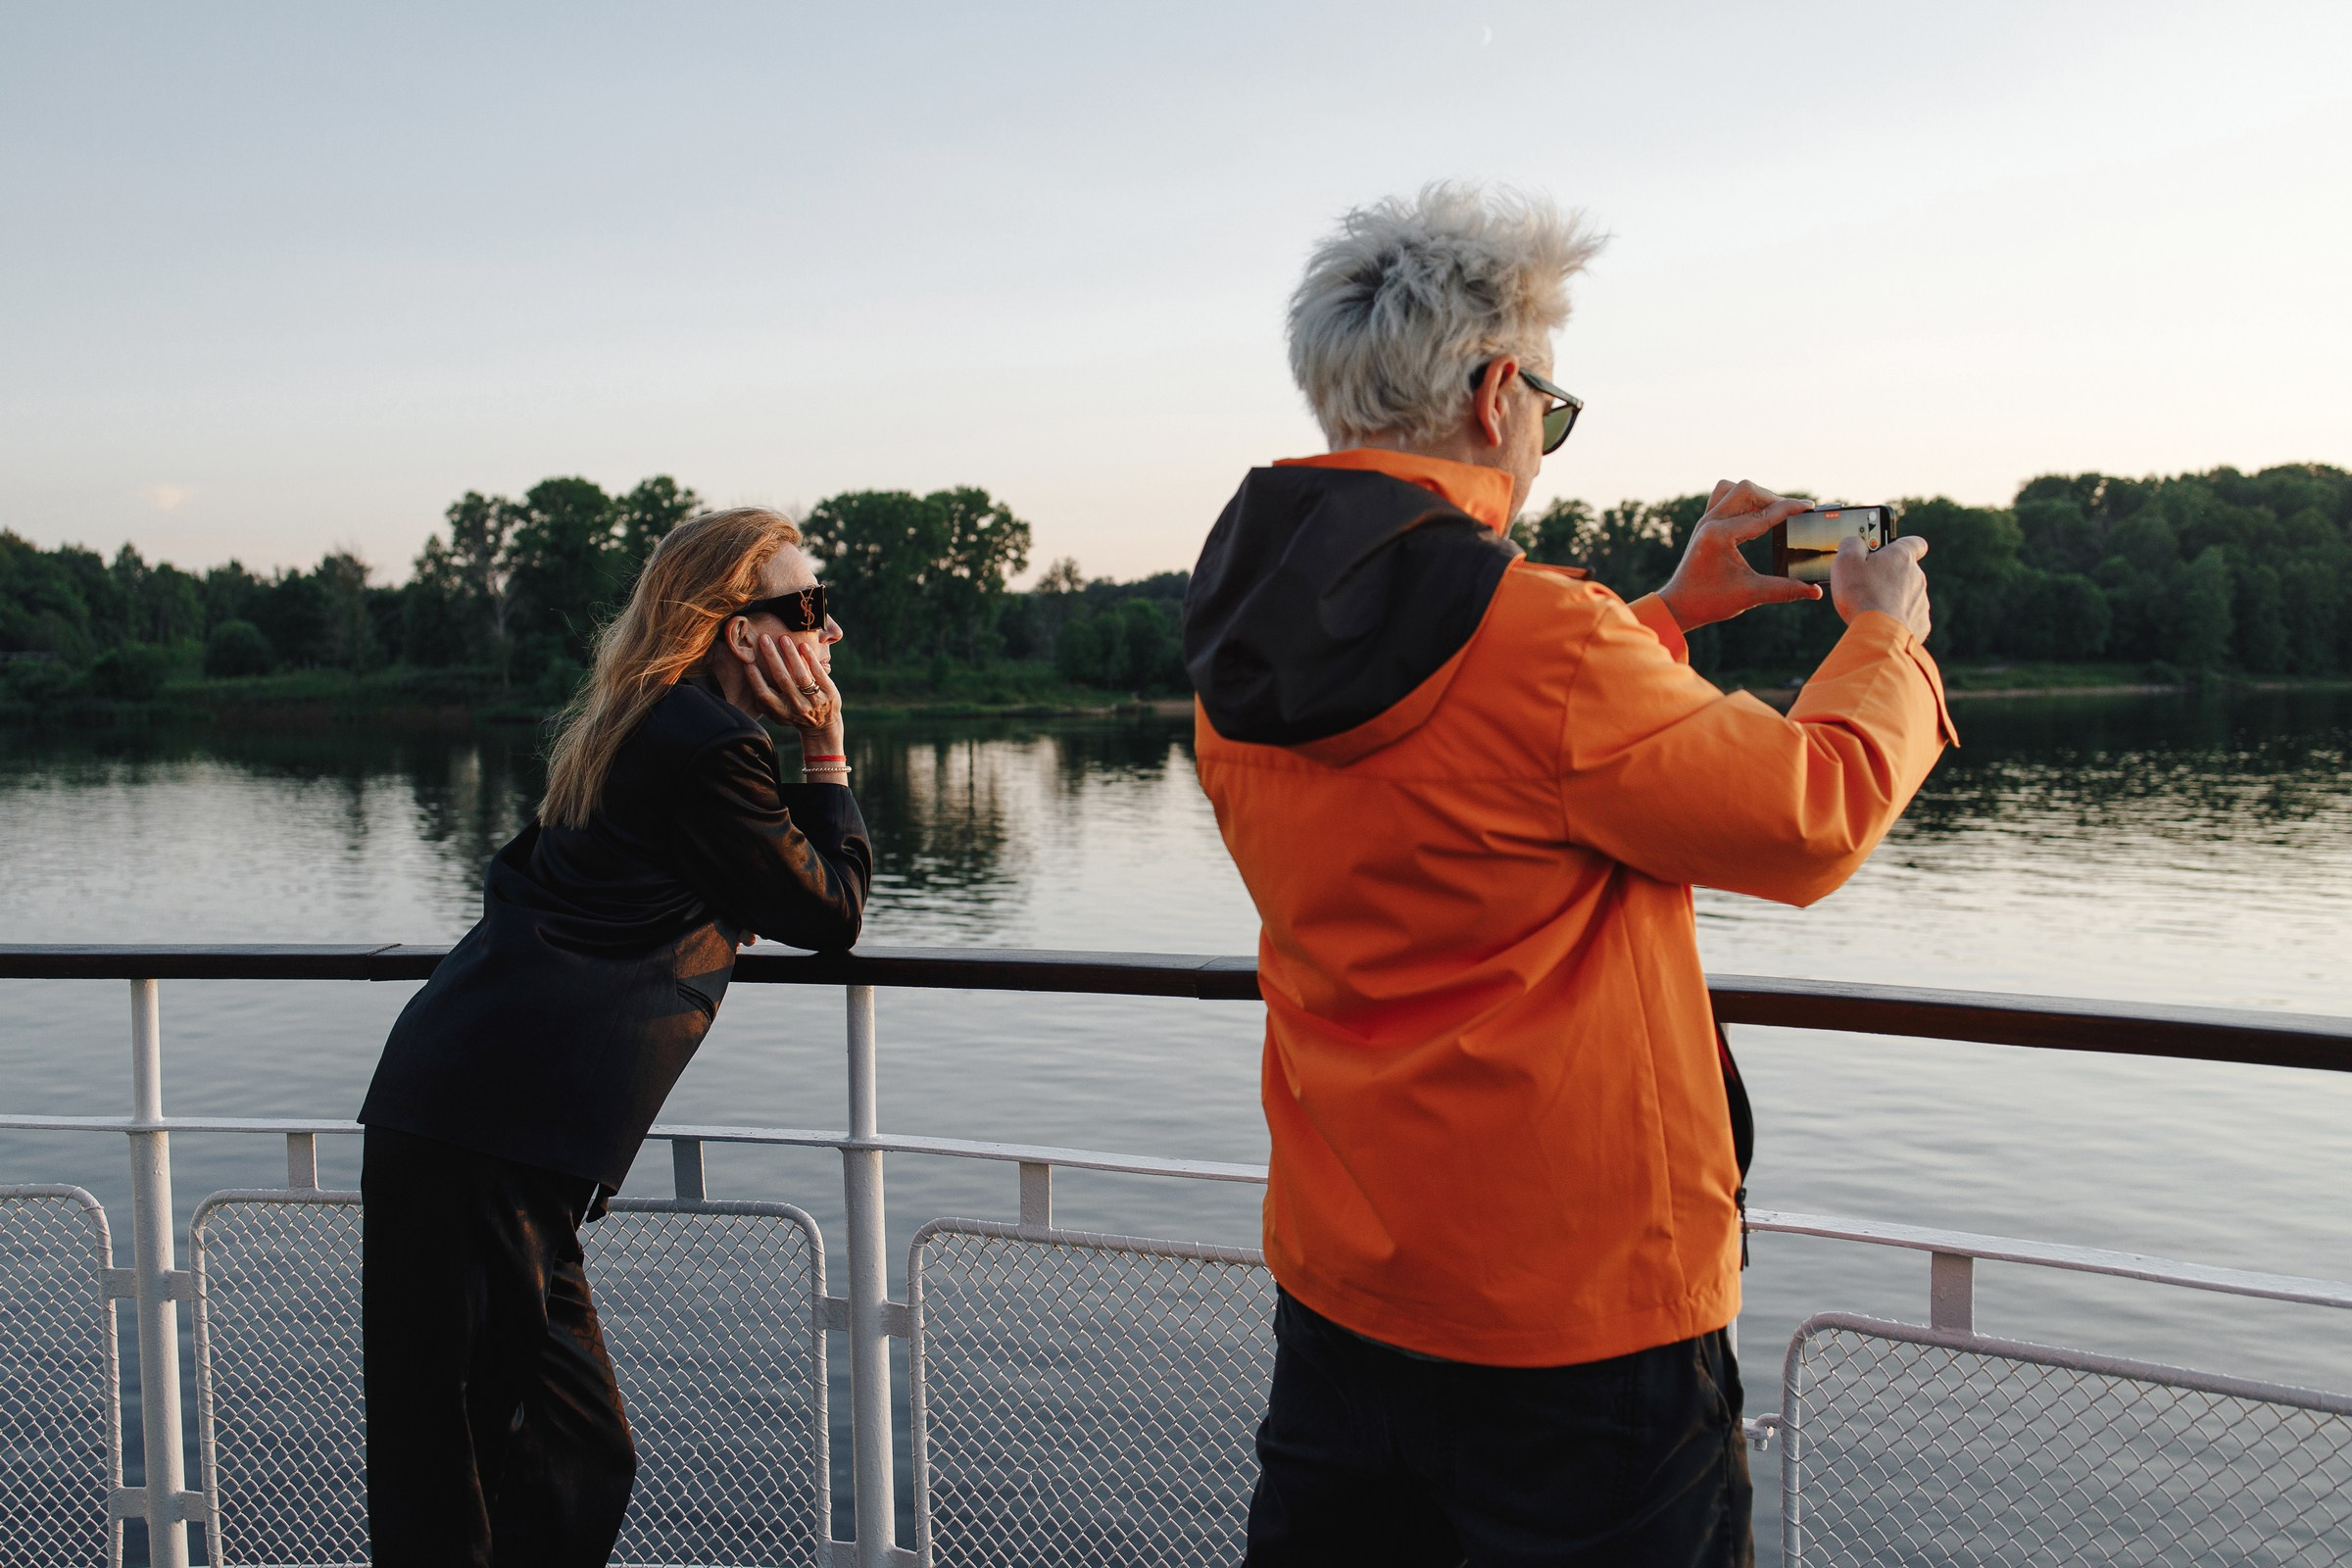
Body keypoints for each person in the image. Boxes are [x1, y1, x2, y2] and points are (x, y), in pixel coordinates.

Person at [1182, 183, 1953, 1566]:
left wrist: (1670, 612)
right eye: (1552, 401)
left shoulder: (1241, 645)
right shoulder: (1545, 639)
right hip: (1576, 1325)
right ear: (1496, 393)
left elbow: (1483, 774)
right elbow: (1811, 817)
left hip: (1349, 1294)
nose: (1544, 430)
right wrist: (1881, 639)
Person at [355, 507, 871, 1567]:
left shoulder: (643, 721)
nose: (832, 633)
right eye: (811, 607)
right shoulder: (708, 742)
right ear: (744, 631)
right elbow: (829, 912)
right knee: (452, 1478)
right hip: (486, 1138)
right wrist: (825, 754)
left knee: (576, 1455)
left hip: (488, 1131)